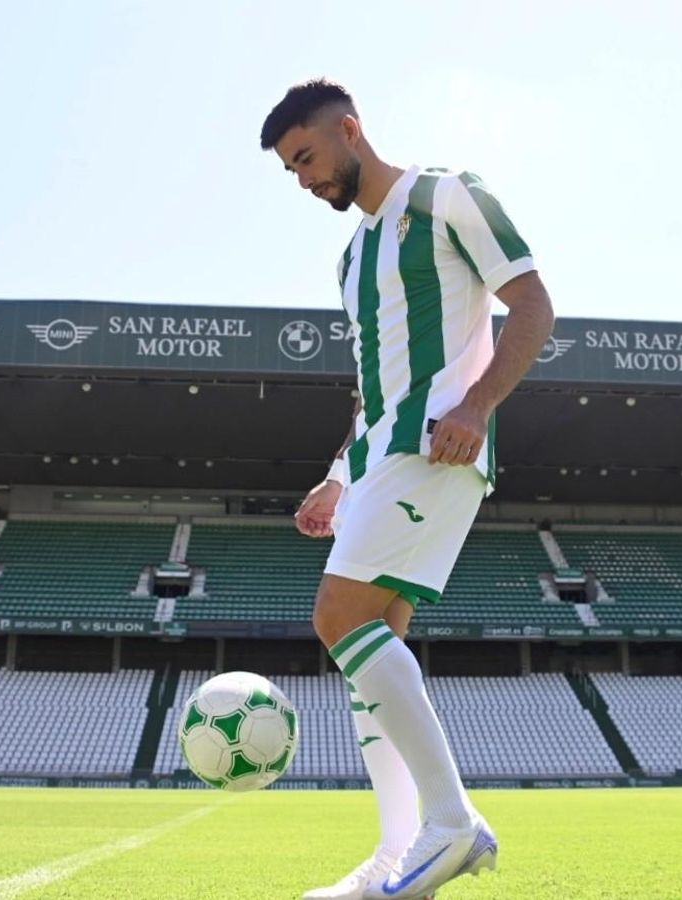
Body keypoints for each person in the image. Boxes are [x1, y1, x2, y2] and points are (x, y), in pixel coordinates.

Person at [260, 78, 556, 900]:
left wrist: (478, 404)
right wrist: (334, 475)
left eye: (309, 157)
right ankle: (398, 853)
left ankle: (454, 824)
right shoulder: (353, 257)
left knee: (336, 617)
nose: (305, 179)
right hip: (380, 458)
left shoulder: (446, 196)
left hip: (440, 447)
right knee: (371, 648)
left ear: (351, 131)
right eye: (291, 170)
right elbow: (371, 388)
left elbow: (533, 304)